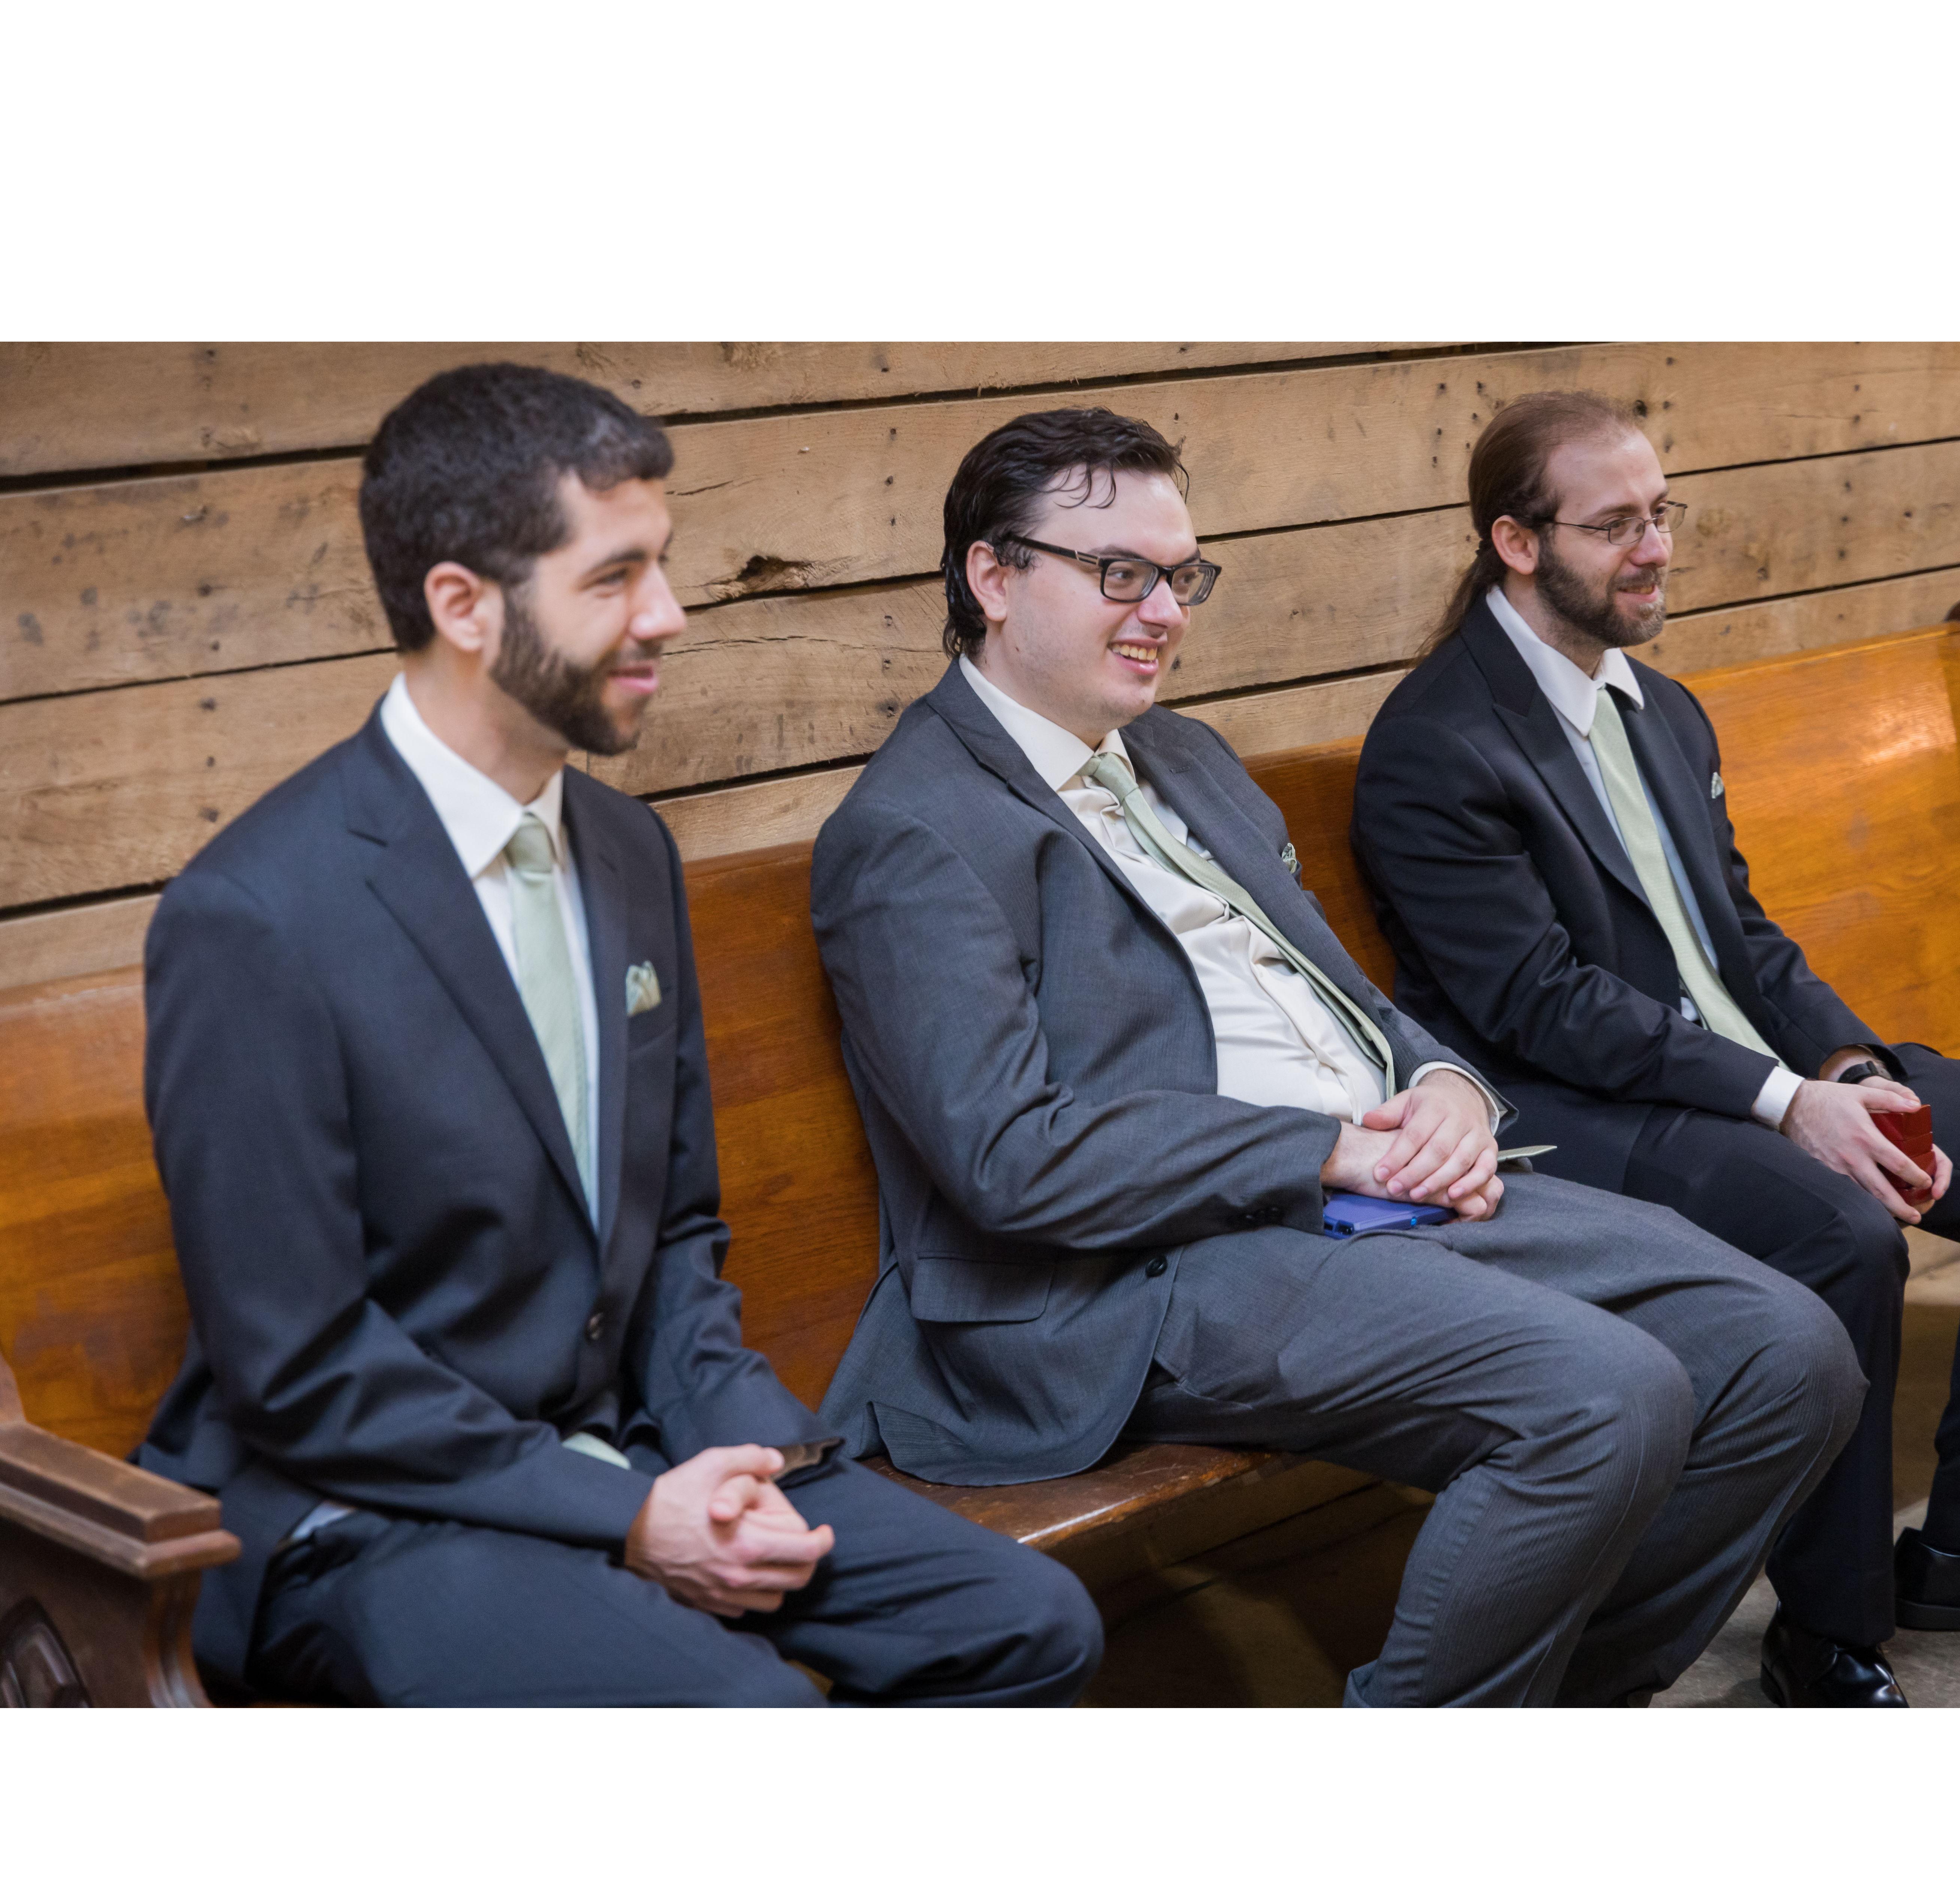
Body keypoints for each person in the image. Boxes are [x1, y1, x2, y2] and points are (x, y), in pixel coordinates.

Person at [808, 404, 1863, 1708]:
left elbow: (1342, 999)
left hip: (1370, 1195)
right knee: (1602, 1394)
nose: (1162, 613)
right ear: (994, 577)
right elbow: (1008, 1159)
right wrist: (1320, 1150)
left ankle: (1564, 1704)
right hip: (1138, 1271)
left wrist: (1446, 1085)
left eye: (1180, 576)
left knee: (1787, 1351)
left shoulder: (1182, 756)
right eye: (1120, 574)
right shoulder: (916, 830)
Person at [136, 363, 1100, 1707]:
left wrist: (745, 1464)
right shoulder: (255, 915)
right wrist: (628, 1517)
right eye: (614, 578)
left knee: (1030, 1623)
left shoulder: (626, 850)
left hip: (627, 1443)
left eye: (663, 563)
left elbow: (676, 1234)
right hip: (364, 1515)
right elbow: (301, 1371)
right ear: (462, 606)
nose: (669, 613)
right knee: (752, 1715)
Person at [1350, 388, 1960, 1706]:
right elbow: (1542, 1004)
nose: (1657, 547)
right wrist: (1787, 1105)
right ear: (1516, 542)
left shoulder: (1661, 707)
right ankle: (1827, 1630)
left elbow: (1744, 939)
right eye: (1616, 524)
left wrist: (1844, 1068)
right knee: (1840, 1230)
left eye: (1661, 512)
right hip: (1574, 1113)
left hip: (1745, 1077)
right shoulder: (1436, 746)